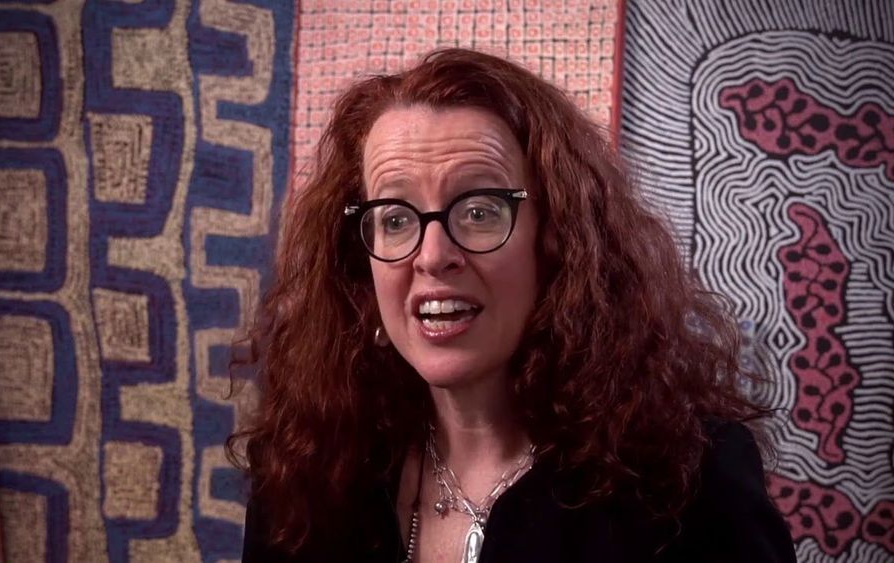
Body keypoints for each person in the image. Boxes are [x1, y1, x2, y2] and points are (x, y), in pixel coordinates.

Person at [230, 48, 796, 562]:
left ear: (557, 241)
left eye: (480, 211)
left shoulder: (692, 481)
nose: (433, 256)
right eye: (396, 219)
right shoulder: (304, 474)